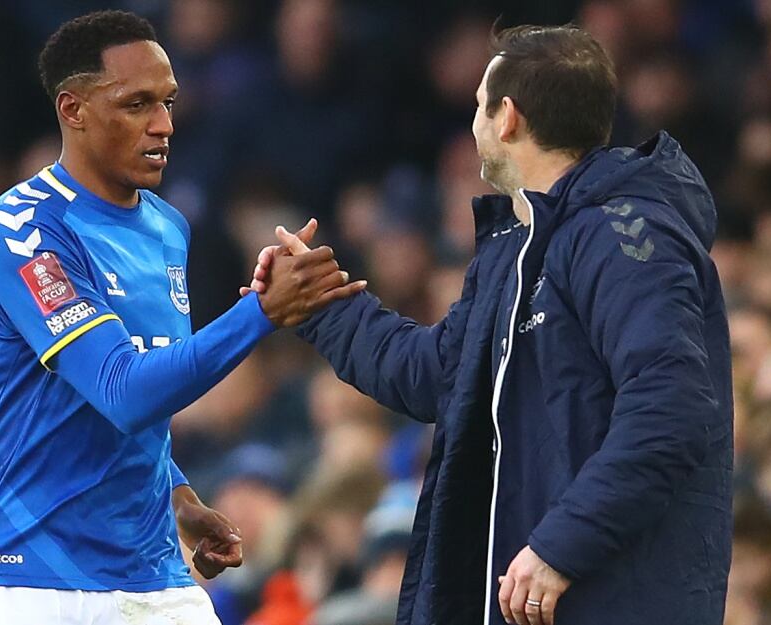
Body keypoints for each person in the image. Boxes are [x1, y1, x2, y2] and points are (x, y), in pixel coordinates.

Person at [247, 24, 732, 625]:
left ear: (507, 117)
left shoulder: (624, 234)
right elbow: (436, 375)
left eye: (479, 105)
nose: (473, 121)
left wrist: (561, 545)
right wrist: (319, 305)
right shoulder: (516, 248)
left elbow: (669, 413)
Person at [0, 11, 363, 625]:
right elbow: (123, 390)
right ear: (73, 109)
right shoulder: (26, 230)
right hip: (28, 578)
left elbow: (128, 394)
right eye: (136, 104)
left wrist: (179, 494)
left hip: (152, 573)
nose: (163, 125)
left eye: (167, 102)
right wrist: (260, 312)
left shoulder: (167, 228)